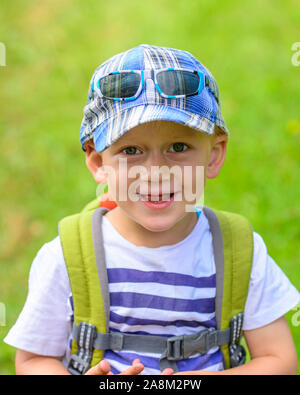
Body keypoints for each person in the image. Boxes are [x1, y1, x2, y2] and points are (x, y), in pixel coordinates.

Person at [4, 44, 300, 375]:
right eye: (131, 150)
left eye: (178, 147)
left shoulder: (239, 252)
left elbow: (280, 361)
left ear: (214, 155)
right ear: (98, 162)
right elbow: (33, 361)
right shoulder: (68, 257)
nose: (156, 171)